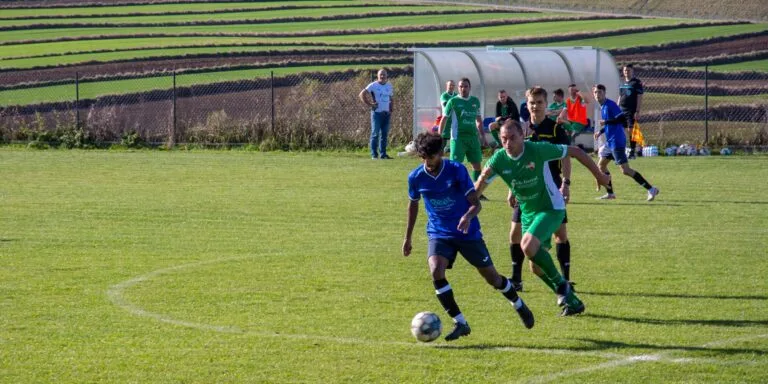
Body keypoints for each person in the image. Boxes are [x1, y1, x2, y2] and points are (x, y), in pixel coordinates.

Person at [402, 133, 535, 341]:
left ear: (441, 153)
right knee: (436, 270)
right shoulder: (416, 177)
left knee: (492, 277)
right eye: (424, 158)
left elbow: (476, 203)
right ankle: (460, 322)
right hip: (439, 232)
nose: (428, 162)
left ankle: (518, 303)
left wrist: (466, 216)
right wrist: (407, 238)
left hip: (467, 233)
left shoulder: (456, 170)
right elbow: (413, 204)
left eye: (432, 157)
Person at [475, 120, 611, 316]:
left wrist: (598, 175)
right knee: (536, 269)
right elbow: (479, 186)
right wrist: (464, 206)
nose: (508, 143)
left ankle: (562, 286)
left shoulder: (537, 150)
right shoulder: (498, 159)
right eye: (504, 139)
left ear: (523, 135)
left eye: (513, 138)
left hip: (551, 208)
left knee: (527, 245)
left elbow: (576, 151)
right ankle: (573, 302)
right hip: (530, 213)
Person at [480, 87, 574, 294]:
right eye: (532, 102)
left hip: (551, 188)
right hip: (524, 190)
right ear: (527, 103)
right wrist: (511, 188)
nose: (535, 106)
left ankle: (565, 279)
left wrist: (565, 183)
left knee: (561, 234)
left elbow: (566, 156)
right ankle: (517, 278)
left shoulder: (555, 128)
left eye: (539, 102)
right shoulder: (520, 129)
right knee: (514, 233)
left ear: (545, 104)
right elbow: (511, 161)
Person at [592, 84, 659, 201]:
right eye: (595, 93)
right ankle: (610, 194)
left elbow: (622, 119)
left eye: (600, 92)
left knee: (625, 170)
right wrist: (601, 131)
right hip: (610, 142)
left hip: (617, 141)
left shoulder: (611, 104)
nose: (597, 95)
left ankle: (651, 189)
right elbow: (611, 123)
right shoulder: (603, 106)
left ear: (604, 93)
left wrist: (606, 122)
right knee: (601, 166)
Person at [438, 77, 487, 190]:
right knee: (455, 165)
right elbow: (444, 119)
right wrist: (439, 136)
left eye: (465, 86)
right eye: (461, 86)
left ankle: (477, 190)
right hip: (457, 138)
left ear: (469, 88)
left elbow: (478, 120)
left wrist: (482, 136)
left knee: (477, 165)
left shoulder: (475, 101)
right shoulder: (453, 101)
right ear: (458, 88)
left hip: (473, 138)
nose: (463, 88)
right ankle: (453, 189)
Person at [358, 68, 393, 159]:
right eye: (380, 75)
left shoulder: (389, 86)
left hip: (386, 114)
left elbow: (391, 98)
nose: (382, 76)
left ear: (386, 76)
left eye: (384, 74)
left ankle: (383, 154)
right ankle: (374, 155)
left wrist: (391, 109)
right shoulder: (373, 85)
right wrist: (370, 104)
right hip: (376, 113)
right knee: (375, 134)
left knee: (384, 135)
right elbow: (362, 94)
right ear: (377, 76)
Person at [619, 64, 644, 159]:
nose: (626, 72)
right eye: (625, 70)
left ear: (632, 71)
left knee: (631, 130)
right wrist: (617, 108)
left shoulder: (636, 83)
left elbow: (640, 97)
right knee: (620, 130)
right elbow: (620, 96)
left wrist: (637, 111)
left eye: (628, 70)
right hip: (622, 109)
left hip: (631, 111)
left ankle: (632, 151)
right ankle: (621, 150)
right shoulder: (622, 83)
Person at [439, 80, 457, 152]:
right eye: (450, 85)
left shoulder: (456, 95)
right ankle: (439, 153)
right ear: (447, 86)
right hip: (446, 121)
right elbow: (446, 105)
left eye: (453, 85)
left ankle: (453, 152)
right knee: (443, 139)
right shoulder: (444, 95)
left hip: (454, 120)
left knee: (454, 138)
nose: (451, 87)